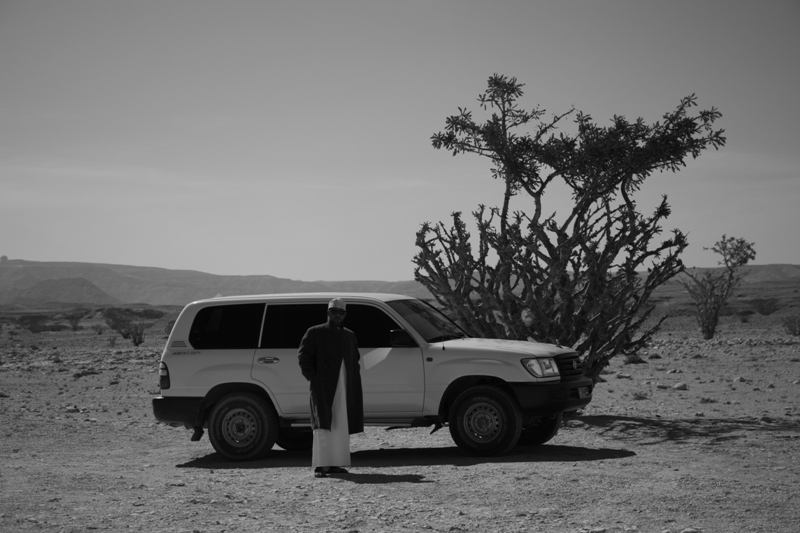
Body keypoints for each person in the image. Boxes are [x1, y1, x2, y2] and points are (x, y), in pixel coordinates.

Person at [297, 298, 364, 478]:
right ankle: (321, 465)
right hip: (323, 387)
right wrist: (314, 378)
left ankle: (335, 464)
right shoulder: (315, 332)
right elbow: (304, 358)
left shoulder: (349, 335)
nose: (337, 315)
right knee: (323, 424)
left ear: (345, 315)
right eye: (333, 312)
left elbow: (355, 360)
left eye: (340, 312)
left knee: (340, 423)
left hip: (344, 386)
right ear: (328, 313)